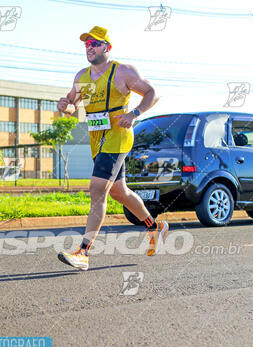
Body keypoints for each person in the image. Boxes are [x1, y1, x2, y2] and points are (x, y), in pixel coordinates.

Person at [57, 25, 169, 271]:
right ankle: (154, 226)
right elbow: (72, 106)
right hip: (97, 137)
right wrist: (64, 106)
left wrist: (135, 113)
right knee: (119, 192)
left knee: (97, 189)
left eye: (95, 43)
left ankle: (83, 252)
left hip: (118, 135)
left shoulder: (123, 71)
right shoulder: (81, 77)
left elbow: (152, 92)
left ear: (107, 47)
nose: (90, 47)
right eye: (87, 44)